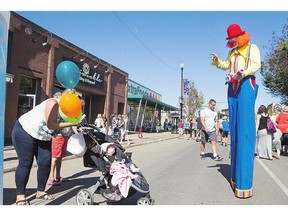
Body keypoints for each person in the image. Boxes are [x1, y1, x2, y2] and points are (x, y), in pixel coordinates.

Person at [211, 23, 261, 198]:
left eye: (233, 38)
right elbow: (226, 65)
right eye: (230, 39)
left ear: (241, 36)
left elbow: (256, 64)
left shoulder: (251, 48)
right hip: (232, 89)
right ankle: (235, 179)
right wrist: (217, 61)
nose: (232, 41)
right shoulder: (232, 53)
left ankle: (244, 183)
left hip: (246, 85)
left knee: (245, 132)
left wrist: (243, 73)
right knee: (234, 131)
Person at [11, 91, 80, 205]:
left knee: (46, 162)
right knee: (26, 163)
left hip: (44, 136)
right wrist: (71, 123)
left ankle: (40, 191)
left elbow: (73, 123)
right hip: (25, 131)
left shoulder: (70, 111)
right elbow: (51, 125)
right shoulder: (53, 103)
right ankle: (20, 195)